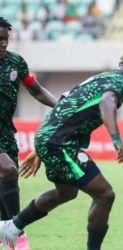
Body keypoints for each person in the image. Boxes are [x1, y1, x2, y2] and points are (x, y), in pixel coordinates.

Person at [0, 46, 123, 250]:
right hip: (59, 144)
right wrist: (116, 139)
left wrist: (41, 146)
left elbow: (64, 102)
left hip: (52, 139)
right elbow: (107, 102)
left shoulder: (103, 78)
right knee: (105, 195)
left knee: (66, 193)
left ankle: (12, 226)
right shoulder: (122, 83)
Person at [0, 17, 58, 249]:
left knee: (5, 185)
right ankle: (17, 233)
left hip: (5, 133)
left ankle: (8, 234)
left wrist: (61, 107)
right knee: (9, 170)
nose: (3, 44)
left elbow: (36, 90)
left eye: (5, 39)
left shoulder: (16, 63)